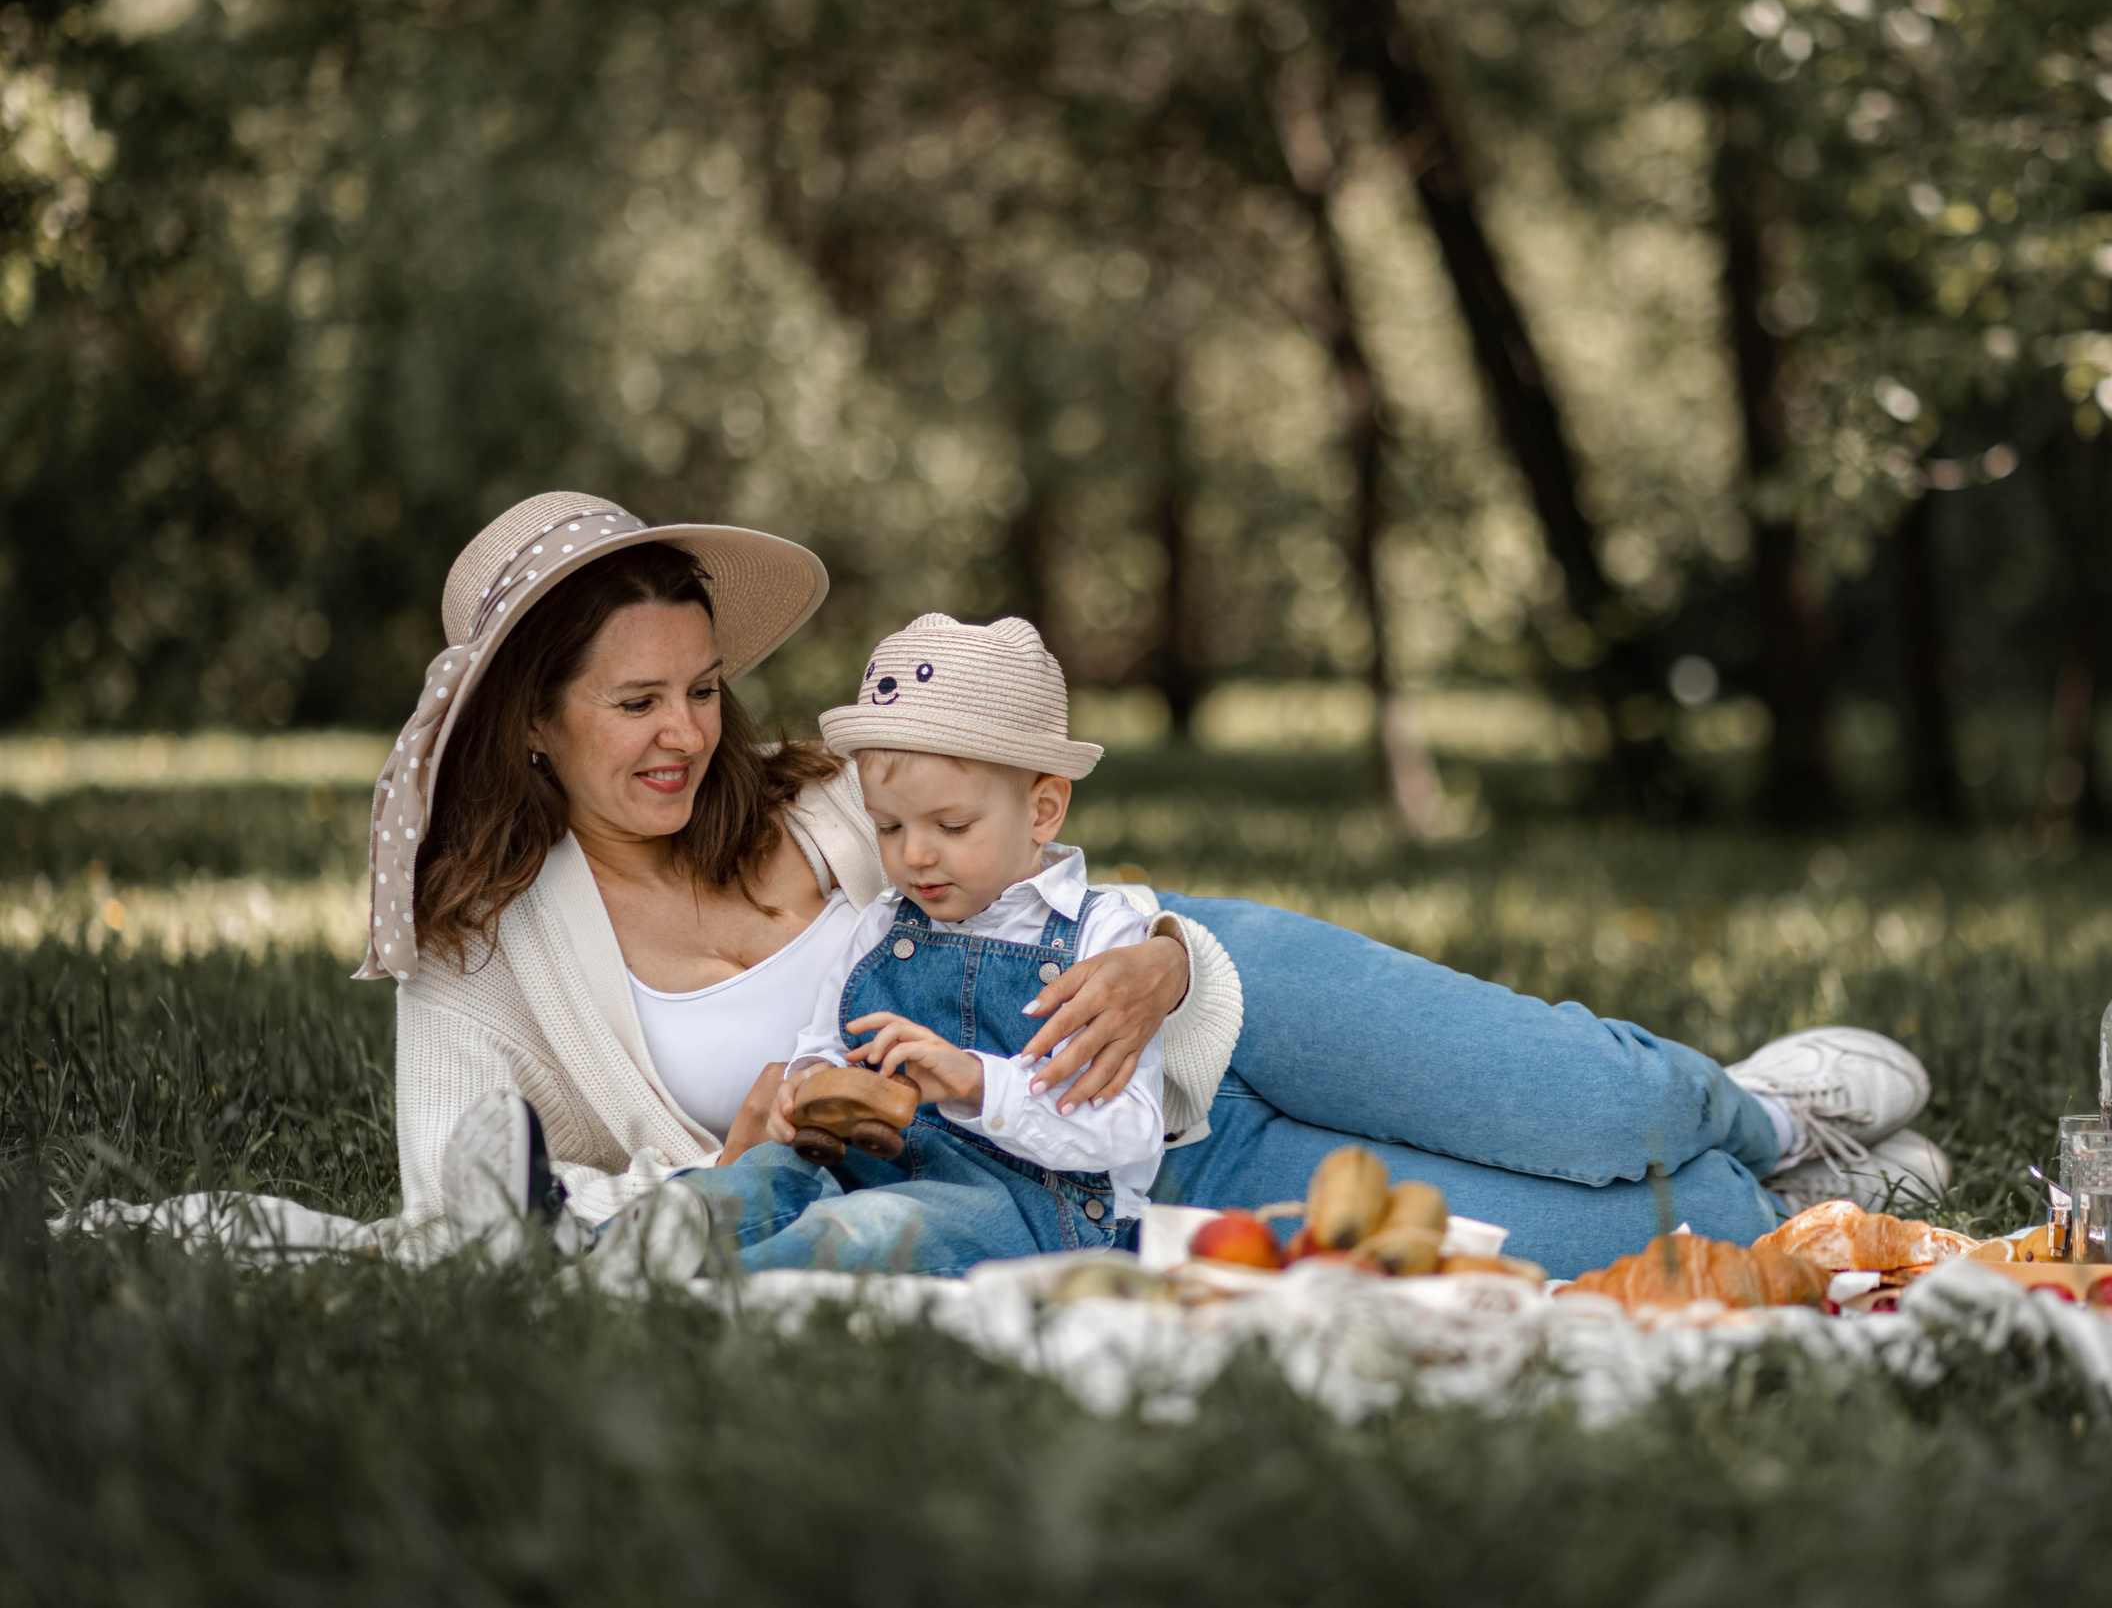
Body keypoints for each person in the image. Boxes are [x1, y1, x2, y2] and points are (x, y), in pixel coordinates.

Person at [389, 492, 1946, 1281]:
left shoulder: (827, 804)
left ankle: (1768, 1108)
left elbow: (1028, 841)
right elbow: (464, 1197)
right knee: (1629, 1239)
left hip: (1199, 998)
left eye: (702, 687)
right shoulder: (491, 954)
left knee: (1617, 1115)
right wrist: (722, 1162)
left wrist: (1169, 963)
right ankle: (1803, 1192)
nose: (685, 734)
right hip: (1123, 1178)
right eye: (633, 703)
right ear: (531, 718)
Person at [596, 614, 1181, 1275]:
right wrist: (806, 1083)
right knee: (768, 1173)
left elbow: (1132, 1133)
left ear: (1043, 811)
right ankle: (610, 1244)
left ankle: (727, 1282)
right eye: (888, 825)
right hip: (875, 1165)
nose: (915, 854)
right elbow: (822, 1043)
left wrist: (978, 1081)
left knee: (871, 1229)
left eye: (952, 824)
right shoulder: (882, 927)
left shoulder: (1101, 936)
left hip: (1034, 1206)